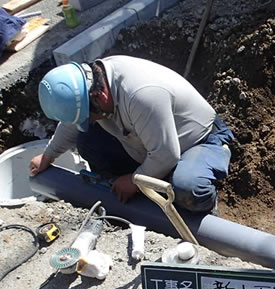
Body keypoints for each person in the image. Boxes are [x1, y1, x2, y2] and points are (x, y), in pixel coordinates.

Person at [29, 56, 234, 213]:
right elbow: (72, 123)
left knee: (188, 188)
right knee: (87, 141)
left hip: (197, 141)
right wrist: (48, 156)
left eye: (90, 115)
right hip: (148, 143)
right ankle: (138, 198)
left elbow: (166, 155)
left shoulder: (142, 94)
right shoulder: (92, 84)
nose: (89, 120)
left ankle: (204, 209)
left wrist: (134, 181)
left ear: (98, 96)